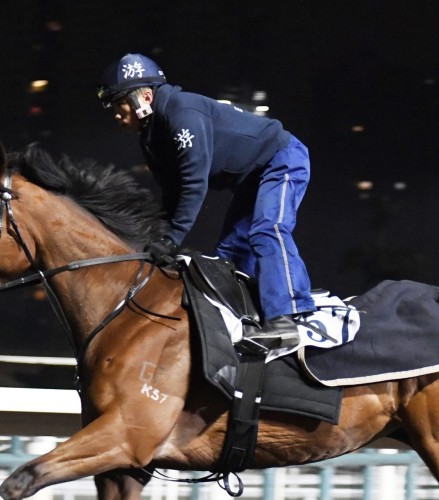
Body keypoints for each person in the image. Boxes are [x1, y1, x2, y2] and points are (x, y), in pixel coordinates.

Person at [97, 52, 316, 349]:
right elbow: (172, 196)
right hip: (251, 178)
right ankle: (249, 321)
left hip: (282, 159)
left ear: (144, 97)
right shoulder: (152, 139)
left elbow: (193, 184)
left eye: (118, 104)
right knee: (230, 253)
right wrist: (155, 239)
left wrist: (172, 239)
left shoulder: (181, 112)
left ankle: (288, 319)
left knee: (267, 230)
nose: (116, 115)